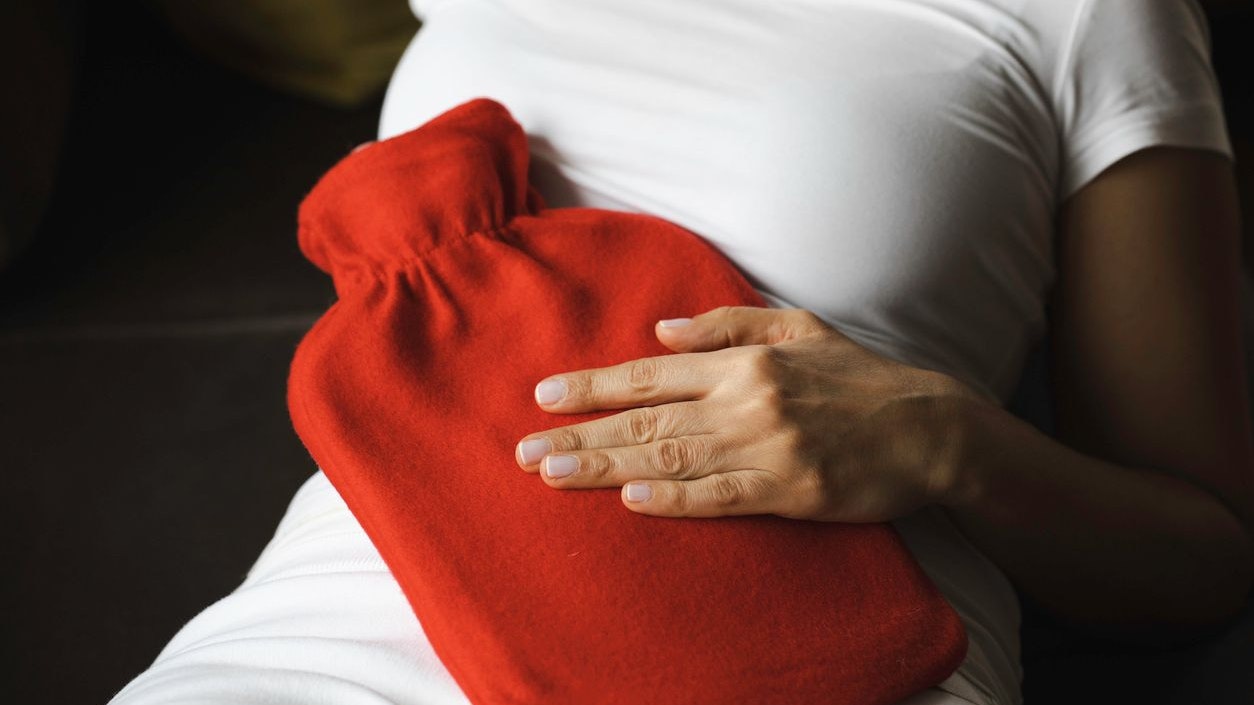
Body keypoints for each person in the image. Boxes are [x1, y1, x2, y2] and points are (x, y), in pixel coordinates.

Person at [109, 1, 1253, 704]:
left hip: (810, 657)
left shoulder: (1090, 12)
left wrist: (953, 443)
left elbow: (1199, 557)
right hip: (317, 631)